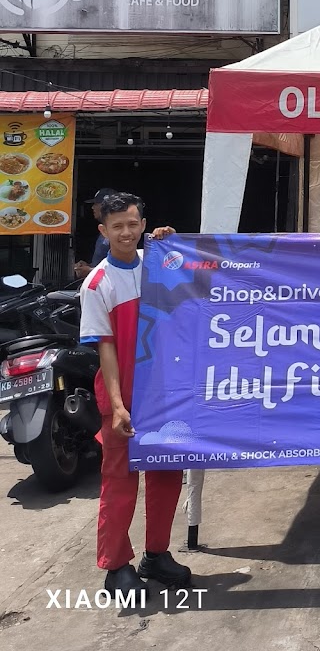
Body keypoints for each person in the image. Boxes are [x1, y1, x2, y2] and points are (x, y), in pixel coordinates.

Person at [79, 191, 193, 598]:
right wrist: (117, 405)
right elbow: (105, 347)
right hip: (123, 397)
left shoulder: (157, 264)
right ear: (103, 231)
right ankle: (116, 567)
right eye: (117, 227)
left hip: (165, 393)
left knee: (166, 474)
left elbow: (194, 284)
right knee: (119, 481)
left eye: (133, 224)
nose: (126, 232)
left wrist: (172, 242)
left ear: (143, 225)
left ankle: (156, 554)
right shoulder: (97, 283)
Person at [74, 187, 117, 279]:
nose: (92, 207)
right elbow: (102, 264)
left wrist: (90, 271)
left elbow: (120, 268)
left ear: (106, 206)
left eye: (96, 204)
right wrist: (88, 266)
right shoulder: (104, 229)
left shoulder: (117, 232)